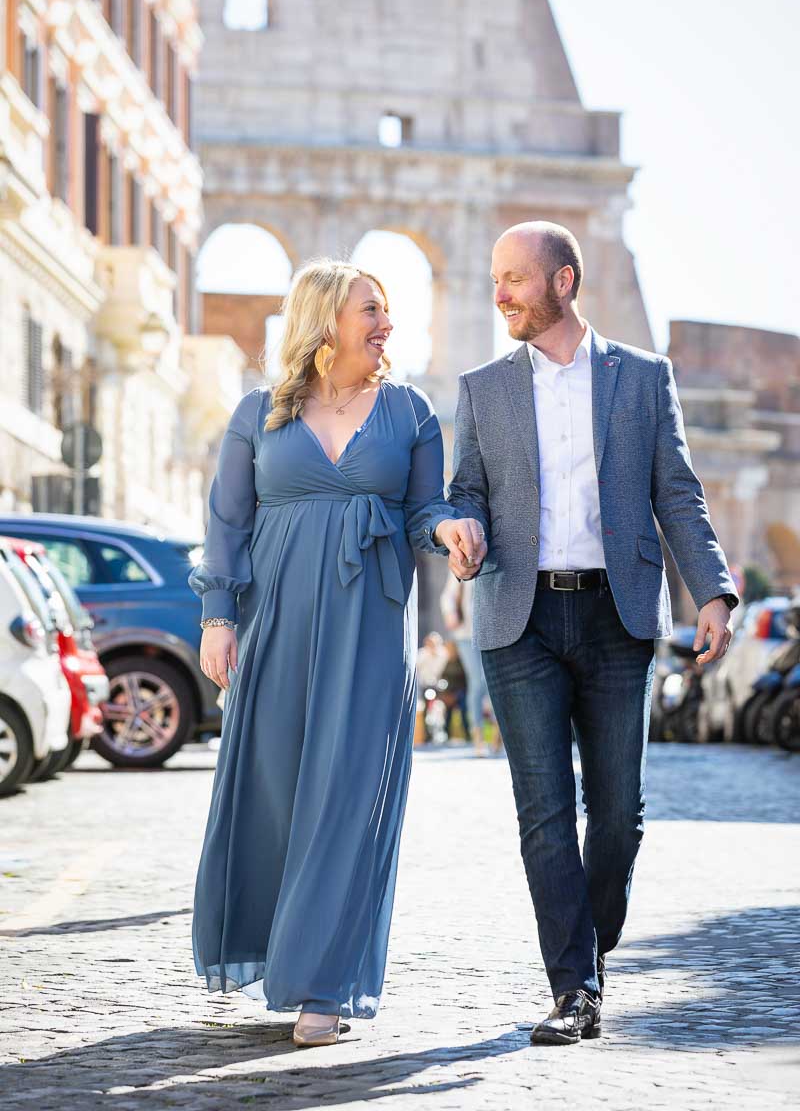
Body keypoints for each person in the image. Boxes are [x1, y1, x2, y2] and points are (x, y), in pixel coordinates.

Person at [446, 221, 738, 1045]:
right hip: (519, 616)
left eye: (514, 278)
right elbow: (463, 488)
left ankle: (589, 939)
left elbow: (676, 491)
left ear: (564, 282)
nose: (498, 293)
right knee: (544, 812)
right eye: (494, 278)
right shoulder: (483, 387)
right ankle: (573, 987)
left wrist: (711, 591)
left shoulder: (643, 378)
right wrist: (459, 528)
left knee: (619, 818)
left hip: (619, 615)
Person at [188, 259, 484, 1048]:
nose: (387, 324)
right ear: (325, 321)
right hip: (276, 618)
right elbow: (227, 522)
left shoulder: (411, 412)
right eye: (372, 310)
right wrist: (219, 618)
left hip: (371, 618)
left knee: (350, 798)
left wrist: (450, 528)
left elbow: (424, 509)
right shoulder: (259, 412)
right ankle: (273, 949)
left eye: (386, 311)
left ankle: (322, 988)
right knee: (278, 791)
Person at [440, 571, 498, 755]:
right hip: (466, 635)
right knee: (477, 682)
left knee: (492, 683)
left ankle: (499, 733)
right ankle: (478, 737)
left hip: (491, 633)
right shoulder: (463, 558)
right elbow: (447, 596)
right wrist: (450, 615)